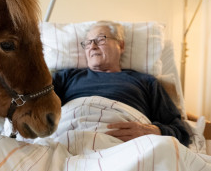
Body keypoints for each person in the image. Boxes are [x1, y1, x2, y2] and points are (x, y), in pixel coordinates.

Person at [52, 20, 190, 146]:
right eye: (87, 42)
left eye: (100, 39)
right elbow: (38, 106)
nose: (92, 46)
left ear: (121, 45)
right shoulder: (66, 77)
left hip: (125, 146)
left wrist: (152, 131)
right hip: (68, 139)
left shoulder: (146, 82)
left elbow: (181, 131)